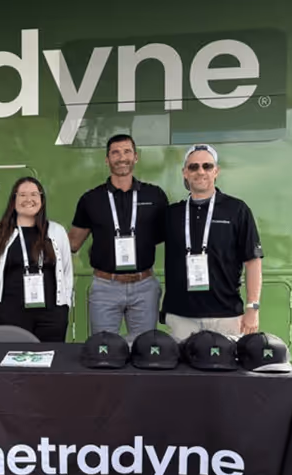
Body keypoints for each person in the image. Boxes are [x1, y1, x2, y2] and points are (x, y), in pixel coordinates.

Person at [69, 134, 169, 342]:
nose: (121, 158)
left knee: (144, 349)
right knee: (103, 348)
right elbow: (73, 243)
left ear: (136, 157)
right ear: (107, 160)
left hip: (144, 286)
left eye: (127, 152)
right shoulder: (91, 199)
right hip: (105, 287)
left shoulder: (155, 195)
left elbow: (165, 235)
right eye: (115, 153)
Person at [161, 143, 263, 341]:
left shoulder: (237, 210)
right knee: (182, 362)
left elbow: (253, 261)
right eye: (193, 167)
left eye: (207, 166)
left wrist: (253, 307)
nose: (200, 171)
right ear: (185, 173)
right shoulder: (172, 214)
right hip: (181, 316)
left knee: (228, 362)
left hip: (226, 315)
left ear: (216, 171)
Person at [0, 177, 73, 342]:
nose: (28, 199)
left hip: (52, 316)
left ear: (41, 199)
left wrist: (65, 306)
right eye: (22, 195)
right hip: (11, 315)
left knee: (50, 357)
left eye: (34, 194)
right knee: (13, 357)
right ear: (14, 200)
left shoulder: (56, 231)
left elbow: (66, 272)